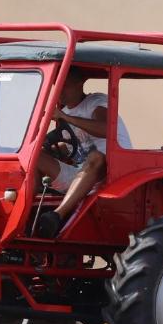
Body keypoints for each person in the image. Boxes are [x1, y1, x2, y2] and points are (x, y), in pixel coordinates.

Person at [35, 67, 131, 238]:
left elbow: (106, 129)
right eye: (59, 85)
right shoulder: (65, 113)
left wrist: (67, 119)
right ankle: (28, 215)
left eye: (67, 85)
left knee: (96, 157)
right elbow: (73, 148)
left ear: (80, 84)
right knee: (35, 157)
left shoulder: (96, 102)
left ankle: (57, 215)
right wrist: (50, 148)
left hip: (110, 174)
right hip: (81, 172)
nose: (61, 90)